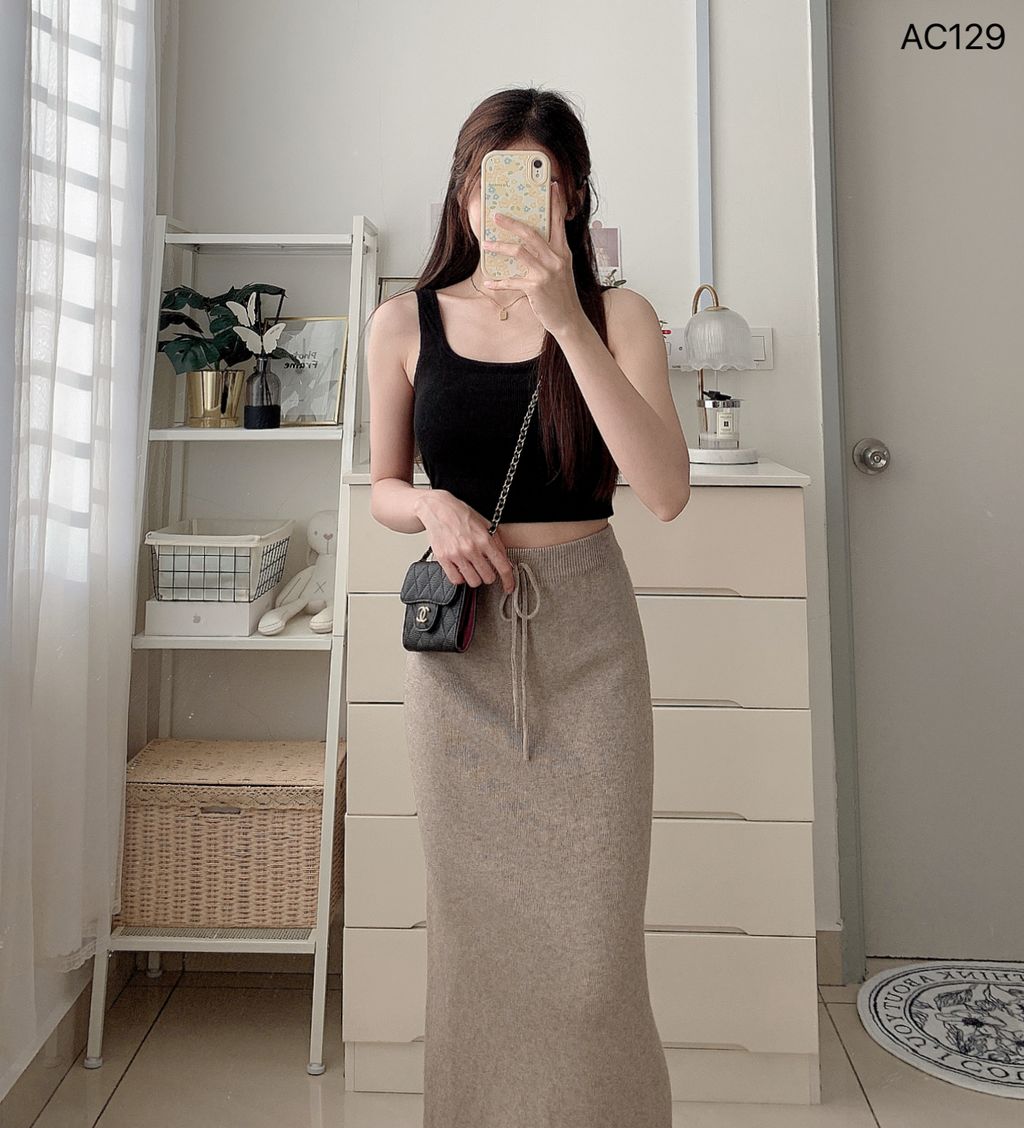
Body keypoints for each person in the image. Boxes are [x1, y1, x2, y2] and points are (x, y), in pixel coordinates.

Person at [367, 85, 690, 1128]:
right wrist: (430, 507)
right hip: (459, 652)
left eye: (533, 182)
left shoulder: (618, 316)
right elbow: (382, 487)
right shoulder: (403, 321)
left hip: (589, 640)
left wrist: (565, 320)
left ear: (573, 196)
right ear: (461, 192)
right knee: (474, 944)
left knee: (594, 953)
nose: (501, 203)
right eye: (485, 180)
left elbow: (665, 491)